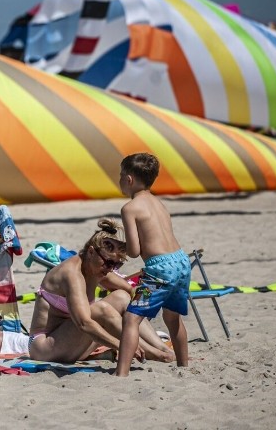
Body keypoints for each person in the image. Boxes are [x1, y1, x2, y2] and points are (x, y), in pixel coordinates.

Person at [27, 218, 174, 364]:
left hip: (73, 343)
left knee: (122, 297)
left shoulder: (95, 268)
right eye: (109, 262)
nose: (110, 269)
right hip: (44, 347)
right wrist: (121, 345)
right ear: (91, 252)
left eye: (117, 265)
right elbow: (84, 323)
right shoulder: (72, 275)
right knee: (100, 309)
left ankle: (161, 348)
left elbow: (128, 289)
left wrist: (134, 291)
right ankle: (150, 352)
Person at [115, 152, 191, 377]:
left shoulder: (130, 208)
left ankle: (121, 373)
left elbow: (135, 251)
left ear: (129, 179)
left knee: (131, 318)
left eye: (120, 175)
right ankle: (184, 367)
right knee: (172, 318)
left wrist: (122, 244)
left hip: (160, 268)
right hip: (181, 261)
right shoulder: (158, 203)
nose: (119, 179)